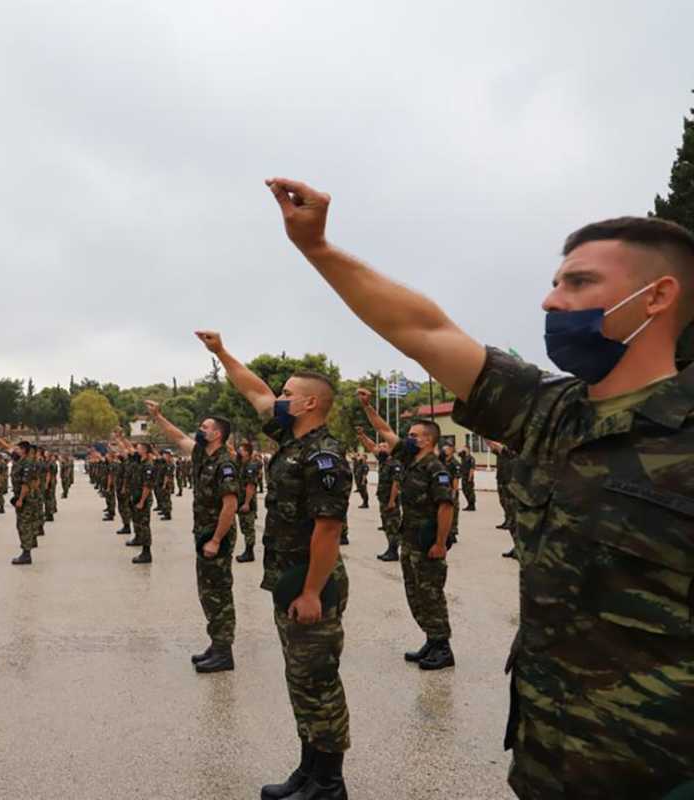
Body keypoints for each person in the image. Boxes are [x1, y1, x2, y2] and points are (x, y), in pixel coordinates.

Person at [266, 175, 694, 797]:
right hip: (548, 761)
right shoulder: (549, 411)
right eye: (554, 283)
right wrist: (319, 250)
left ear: (657, 298)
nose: (551, 302)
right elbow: (425, 330)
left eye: (579, 283)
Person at [194, 331, 353, 799]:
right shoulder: (290, 438)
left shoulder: (324, 455)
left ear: (308, 405)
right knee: (301, 679)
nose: (277, 399)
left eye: (287, 394)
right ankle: (308, 769)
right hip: (292, 582)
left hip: (312, 584)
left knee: (319, 682)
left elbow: (328, 530)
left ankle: (329, 782)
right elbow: (254, 390)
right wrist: (221, 353)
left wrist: (310, 592)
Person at [146, 400, 239, 674]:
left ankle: (224, 652)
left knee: (218, 593)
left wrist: (216, 540)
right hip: (205, 534)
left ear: (217, 434)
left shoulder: (224, 463)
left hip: (215, 536)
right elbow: (177, 436)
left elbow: (230, 505)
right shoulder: (202, 454)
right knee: (207, 592)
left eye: (205, 427)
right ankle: (216, 643)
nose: (200, 430)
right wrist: (158, 417)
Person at [355, 413, 402, 562]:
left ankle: (393, 550)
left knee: (393, 525)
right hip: (384, 499)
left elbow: (396, 483)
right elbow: (370, 445)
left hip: (391, 499)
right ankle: (390, 547)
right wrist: (362, 436)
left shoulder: (394, 462)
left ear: (390, 449)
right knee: (387, 525)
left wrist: (392, 501)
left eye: (384, 446)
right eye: (380, 446)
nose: (380, 448)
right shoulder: (383, 461)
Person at [124, 441, 156, 564]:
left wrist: (142, 501)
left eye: (139, 448)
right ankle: (140, 543)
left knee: (144, 525)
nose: (136, 450)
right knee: (137, 523)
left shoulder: (148, 465)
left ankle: (147, 552)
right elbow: (128, 449)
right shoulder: (139, 463)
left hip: (143, 499)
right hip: (136, 497)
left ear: (145, 451)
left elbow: (147, 486)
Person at [234, 441, 260, 563]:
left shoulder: (251, 466)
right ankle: (248, 551)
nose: (239, 451)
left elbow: (251, 486)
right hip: (241, 501)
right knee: (244, 527)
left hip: (247, 502)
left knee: (249, 528)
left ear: (247, 453)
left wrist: (246, 503)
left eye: (241, 450)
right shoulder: (241, 464)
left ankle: (249, 552)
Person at [458, 446, 477, 511]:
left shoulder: (471, 458)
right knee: (464, 490)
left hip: (468, 477)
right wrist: (461, 449)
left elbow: (472, 469)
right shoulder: (463, 456)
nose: (463, 449)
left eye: (464, 448)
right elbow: (457, 452)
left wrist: (470, 478)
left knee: (470, 491)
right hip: (463, 477)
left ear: (468, 449)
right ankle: (469, 504)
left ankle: (472, 505)